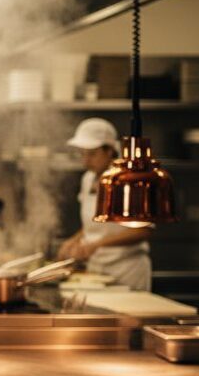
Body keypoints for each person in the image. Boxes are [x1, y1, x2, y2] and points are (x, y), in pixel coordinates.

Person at [58, 118, 152, 290]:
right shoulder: (87, 179)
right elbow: (93, 225)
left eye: (92, 154)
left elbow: (143, 230)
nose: (85, 161)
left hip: (127, 269)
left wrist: (98, 244)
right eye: (82, 154)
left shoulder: (128, 180)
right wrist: (73, 240)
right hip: (97, 270)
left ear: (109, 150)